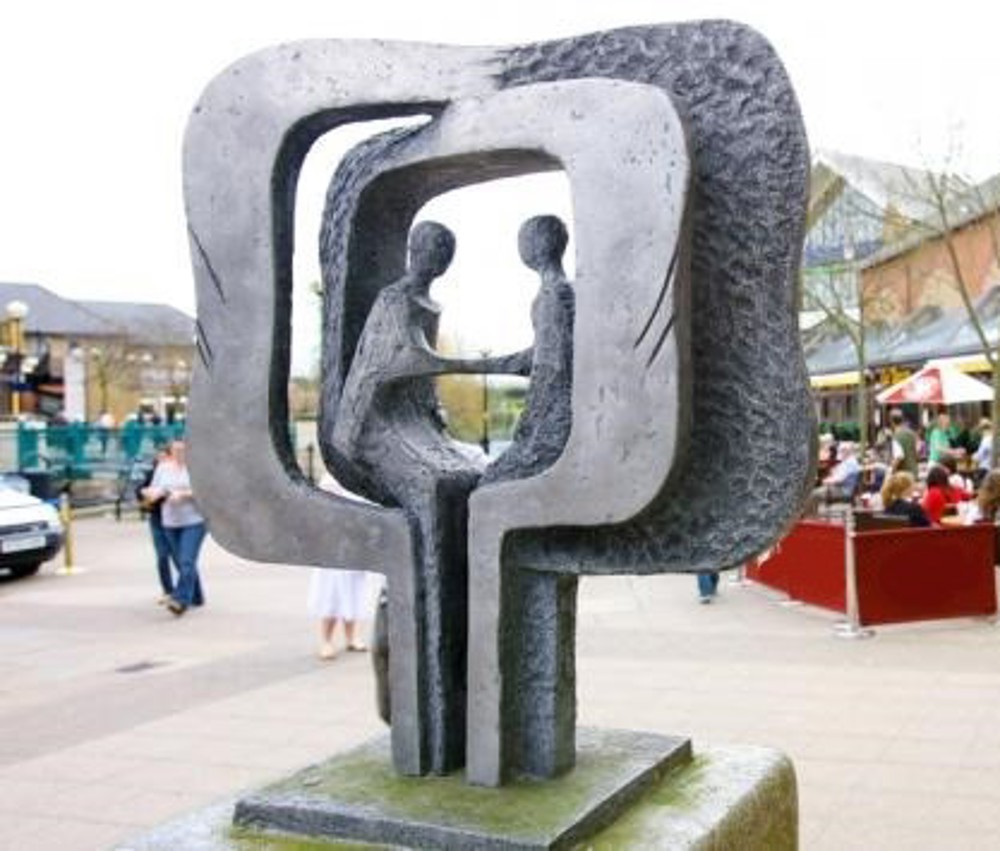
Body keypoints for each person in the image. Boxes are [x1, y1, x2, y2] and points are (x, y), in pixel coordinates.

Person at [308, 473, 373, 660]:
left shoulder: (360, 479)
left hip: (355, 544)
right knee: (331, 593)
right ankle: (326, 640)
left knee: (354, 591)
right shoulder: (330, 480)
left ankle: (352, 635)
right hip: (333, 545)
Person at [143, 438, 206, 616]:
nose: (180, 454)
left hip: (194, 522)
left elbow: (206, 491)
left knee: (186, 560)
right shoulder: (163, 468)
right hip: (170, 522)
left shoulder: (196, 469)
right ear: (171, 453)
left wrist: (184, 494)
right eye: (176, 451)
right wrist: (153, 494)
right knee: (181, 562)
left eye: (183, 450)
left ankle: (180, 600)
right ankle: (197, 595)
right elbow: (155, 488)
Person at [137, 443, 175, 604]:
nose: (160, 461)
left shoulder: (177, 473)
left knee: (181, 557)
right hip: (157, 519)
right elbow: (140, 489)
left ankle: (189, 589)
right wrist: (144, 494)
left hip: (175, 519)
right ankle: (168, 590)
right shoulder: (153, 473)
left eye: (164, 458)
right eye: (158, 458)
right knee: (162, 556)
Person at [889, 408, 918, 474]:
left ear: (892, 422)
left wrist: (891, 471)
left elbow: (898, 456)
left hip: (903, 476)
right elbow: (917, 453)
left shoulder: (896, 436)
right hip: (914, 471)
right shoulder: (912, 433)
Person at [973, 418, 993, 484]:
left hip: (985, 469)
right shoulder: (995, 438)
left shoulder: (986, 440)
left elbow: (979, 457)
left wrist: (974, 456)